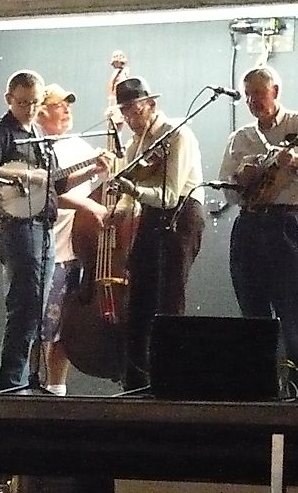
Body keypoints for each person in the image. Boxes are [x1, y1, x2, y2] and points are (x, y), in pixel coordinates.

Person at [0, 70, 109, 391]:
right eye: (23, 103)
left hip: (42, 227)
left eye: (34, 103)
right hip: (17, 228)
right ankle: (10, 386)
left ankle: (24, 384)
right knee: (25, 310)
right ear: (9, 99)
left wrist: (91, 169)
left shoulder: (39, 135)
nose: (29, 109)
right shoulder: (2, 131)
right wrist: (19, 175)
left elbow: (56, 185)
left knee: (35, 311)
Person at [219, 65, 298, 398]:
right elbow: (227, 191)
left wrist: (297, 163)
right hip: (249, 224)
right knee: (252, 311)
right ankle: (261, 390)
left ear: (276, 92)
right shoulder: (240, 138)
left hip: (289, 223)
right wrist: (241, 177)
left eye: (258, 93)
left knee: (294, 311)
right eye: (247, 95)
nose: (252, 101)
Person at [111, 76, 206, 390]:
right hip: (151, 217)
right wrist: (114, 212)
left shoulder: (176, 134)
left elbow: (170, 195)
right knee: (139, 298)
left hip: (181, 214)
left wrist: (133, 189)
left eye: (134, 109)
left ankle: (170, 381)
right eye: (124, 111)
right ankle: (136, 382)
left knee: (169, 298)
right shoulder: (133, 145)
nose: (129, 117)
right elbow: (130, 200)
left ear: (151, 104)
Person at [37, 84, 109, 396]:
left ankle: (57, 389)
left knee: (67, 326)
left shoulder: (80, 145)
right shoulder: (37, 147)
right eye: (59, 105)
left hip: (80, 246)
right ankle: (29, 386)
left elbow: (107, 177)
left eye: (68, 104)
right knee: (42, 326)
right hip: (50, 246)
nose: (66, 109)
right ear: (41, 110)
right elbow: (47, 193)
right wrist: (87, 205)